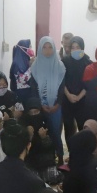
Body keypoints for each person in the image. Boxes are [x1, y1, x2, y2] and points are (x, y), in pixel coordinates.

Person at [31, 36, 66, 165]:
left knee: (55, 132)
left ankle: (60, 157)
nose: (47, 50)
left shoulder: (60, 66)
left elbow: (62, 88)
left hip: (56, 106)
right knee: (42, 131)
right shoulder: (35, 66)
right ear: (40, 49)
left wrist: (57, 104)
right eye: (44, 47)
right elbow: (34, 88)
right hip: (40, 106)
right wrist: (40, 105)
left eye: (50, 47)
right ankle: (46, 157)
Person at [19, 97, 60, 184]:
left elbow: (53, 147)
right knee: (31, 181)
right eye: (31, 113)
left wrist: (44, 138)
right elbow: (20, 150)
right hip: (30, 160)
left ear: (40, 111)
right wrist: (29, 137)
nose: (34, 115)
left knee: (52, 177)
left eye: (36, 112)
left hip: (45, 159)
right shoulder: (23, 124)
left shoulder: (47, 122)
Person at [60, 36, 92, 141]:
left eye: (78, 47)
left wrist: (79, 97)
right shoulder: (65, 61)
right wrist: (68, 95)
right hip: (67, 100)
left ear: (82, 48)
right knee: (69, 129)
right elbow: (61, 81)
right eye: (73, 47)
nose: (75, 50)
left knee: (83, 128)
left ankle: (82, 150)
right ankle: (71, 149)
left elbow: (89, 84)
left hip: (83, 101)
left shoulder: (88, 63)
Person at [9, 39, 37, 104]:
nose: (31, 49)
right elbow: (22, 79)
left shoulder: (26, 60)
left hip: (29, 92)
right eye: (29, 47)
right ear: (23, 48)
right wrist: (31, 67)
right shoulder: (17, 63)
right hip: (21, 94)